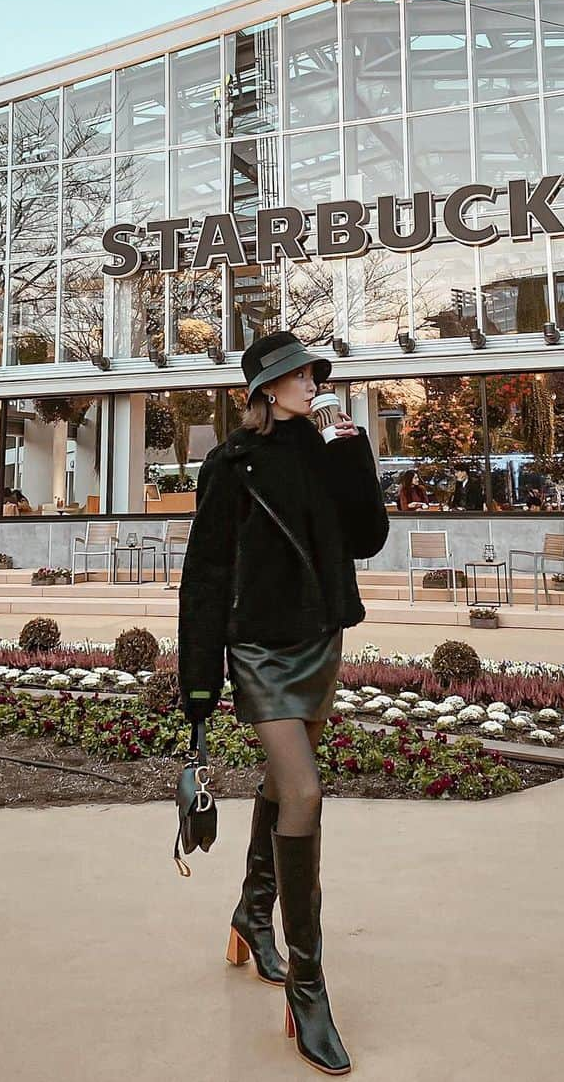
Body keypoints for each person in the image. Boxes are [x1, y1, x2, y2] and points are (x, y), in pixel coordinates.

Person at [177, 330, 389, 1077]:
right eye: (296, 373)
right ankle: (307, 989)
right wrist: (200, 683)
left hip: (319, 642)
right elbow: (204, 573)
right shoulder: (231, 466)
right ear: (266, 389)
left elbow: (368, 539)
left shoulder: (329, 450)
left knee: (280, 784)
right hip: (261, 651)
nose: (310, 380)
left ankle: (248, 912)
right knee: (302, 790)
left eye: (311, 371)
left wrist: (355, 453)